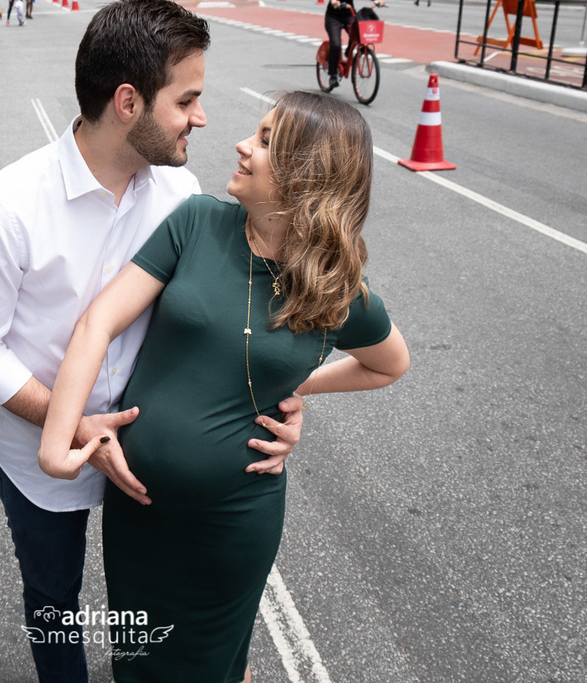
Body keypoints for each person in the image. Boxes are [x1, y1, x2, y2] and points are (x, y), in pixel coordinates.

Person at [0, 0, 305, 683]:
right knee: (55, 602)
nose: (202, 118)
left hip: (152, 459)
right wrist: (68, 419)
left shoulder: (183, 198)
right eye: (187, 99)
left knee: (155, 605)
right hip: (39, 460)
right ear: (129, 103)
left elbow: (237, 321)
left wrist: (288, 404)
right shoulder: (7, 210)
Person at [39, 90, 410, 683]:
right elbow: (97, 323)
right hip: (138, 511)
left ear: (307, 173)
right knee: (135, 659)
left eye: (265, 140)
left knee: (209, 666)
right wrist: (56, 444)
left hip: (232, 523)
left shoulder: (338, 292)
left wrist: (295, 388)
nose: (240, 145)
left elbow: (389, 364)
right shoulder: (197, 222)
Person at [325, 0, 385, 91]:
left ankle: (348, 53)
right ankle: (333, 75)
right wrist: (334, 1)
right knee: (335, 44)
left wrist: (377, 0)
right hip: (333, 16)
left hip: (349, 15)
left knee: (359, 34)